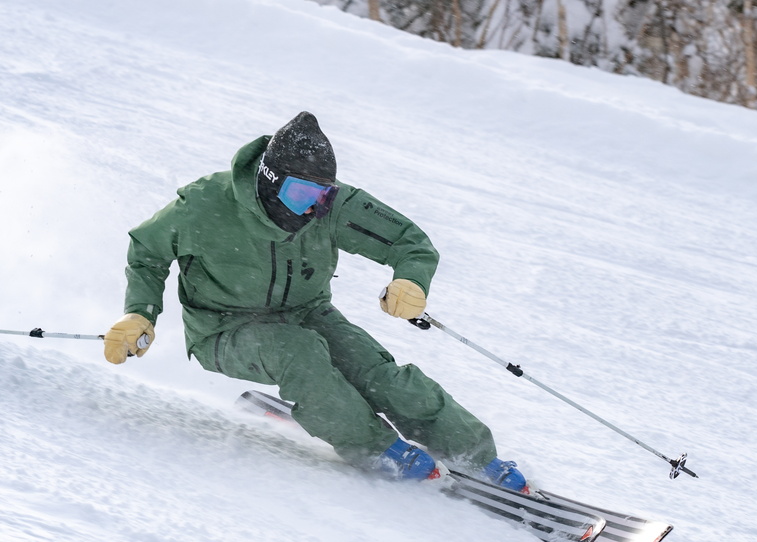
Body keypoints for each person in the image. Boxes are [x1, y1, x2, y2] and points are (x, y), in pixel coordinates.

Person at [103, 112, 528, 493]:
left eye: (321, 196)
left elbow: (410, 242)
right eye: (301, 195)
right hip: (223, 329)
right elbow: (147, 251)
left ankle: (474, 454)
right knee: (301, 354)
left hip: (309, 313)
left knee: (377, 373)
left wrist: (410, 280)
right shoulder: (205, 204)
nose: (311, 209)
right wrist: (140, 312)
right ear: (269, 181)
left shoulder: (330, 206)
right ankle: (374, 447)